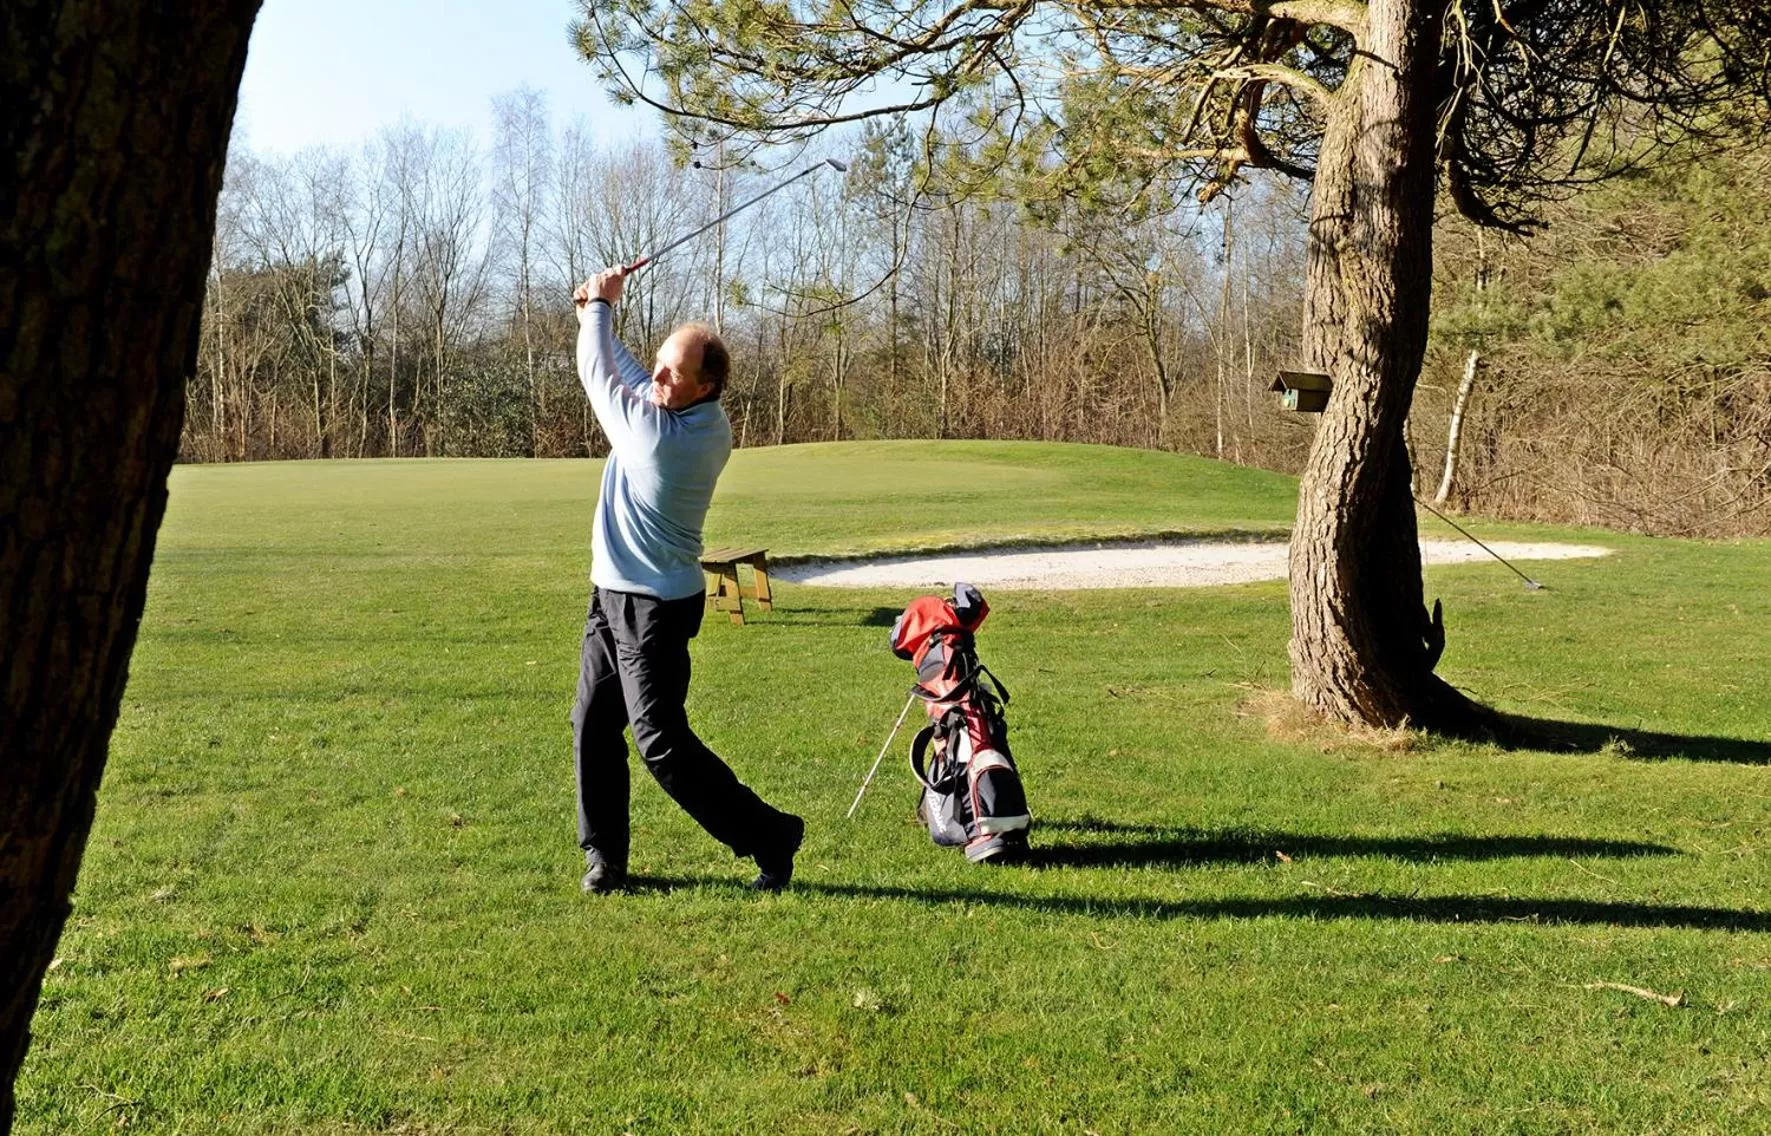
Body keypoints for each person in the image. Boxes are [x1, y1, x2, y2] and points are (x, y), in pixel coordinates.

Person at [569, 266, 804, 893]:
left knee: (660, 743)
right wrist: (595, 310)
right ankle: (606, 860)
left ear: (708, 385)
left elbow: (599, 375)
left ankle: (772, 837)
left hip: (653, 609)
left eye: (675, 372)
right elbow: (630, 374)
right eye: (661, 365)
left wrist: (599, 308)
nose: (660, 376)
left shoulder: (665, 441)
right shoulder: (685, 410)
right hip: (612, 593)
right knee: (592, 724)